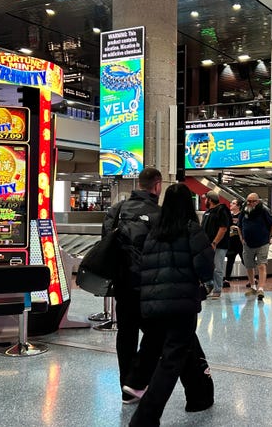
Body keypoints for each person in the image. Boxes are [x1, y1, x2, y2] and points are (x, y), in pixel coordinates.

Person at [129, 183, 215, 426]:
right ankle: (144, 419)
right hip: (181, 306)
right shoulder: (191, 230)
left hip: (153, 306)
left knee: (169, 352)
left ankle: (198, 395)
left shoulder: (153, 233)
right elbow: (205, 265)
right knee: (170, 362)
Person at [102, 167, 162, 404]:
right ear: (157, 186)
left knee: (126, 335)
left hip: (123, 284)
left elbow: (105, 241)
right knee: (156, 335)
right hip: (150, 286)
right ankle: (139, 381)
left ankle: (126, 387)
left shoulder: (117, 210)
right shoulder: (159, 214)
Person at [239, 193, 272, 301]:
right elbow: (240, 225)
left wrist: (269, 237)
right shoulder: (244, 211)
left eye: (252, 201)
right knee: (249, 265)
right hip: (248, 243)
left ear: (257, 201)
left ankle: (261, 288)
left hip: (262, 243)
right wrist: (242, 238)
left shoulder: (263, 211)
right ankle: (253, 286)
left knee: (262, 265)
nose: (250, 203)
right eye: (248, 201)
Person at [200, 191, 230, 298]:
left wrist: (214, 242)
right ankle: (209, 286)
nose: (205, 201)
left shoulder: (221, 210)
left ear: (210, 200)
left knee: (217, 267)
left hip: (219, 245)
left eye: (206, 199)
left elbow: (223, 228)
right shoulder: (208, 212)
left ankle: (217, 289)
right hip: (207, 245)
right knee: (208, 267)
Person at [224, 198, 244, 287]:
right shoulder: (229, 216)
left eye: (233, 203)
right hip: (231, 242)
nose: (231, 204)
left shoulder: (242, 216)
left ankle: (253, 278)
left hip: (240, 242)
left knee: (245, 260)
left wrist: (237, 229)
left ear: (238, 206)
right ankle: (227, 279)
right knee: (230, 260)